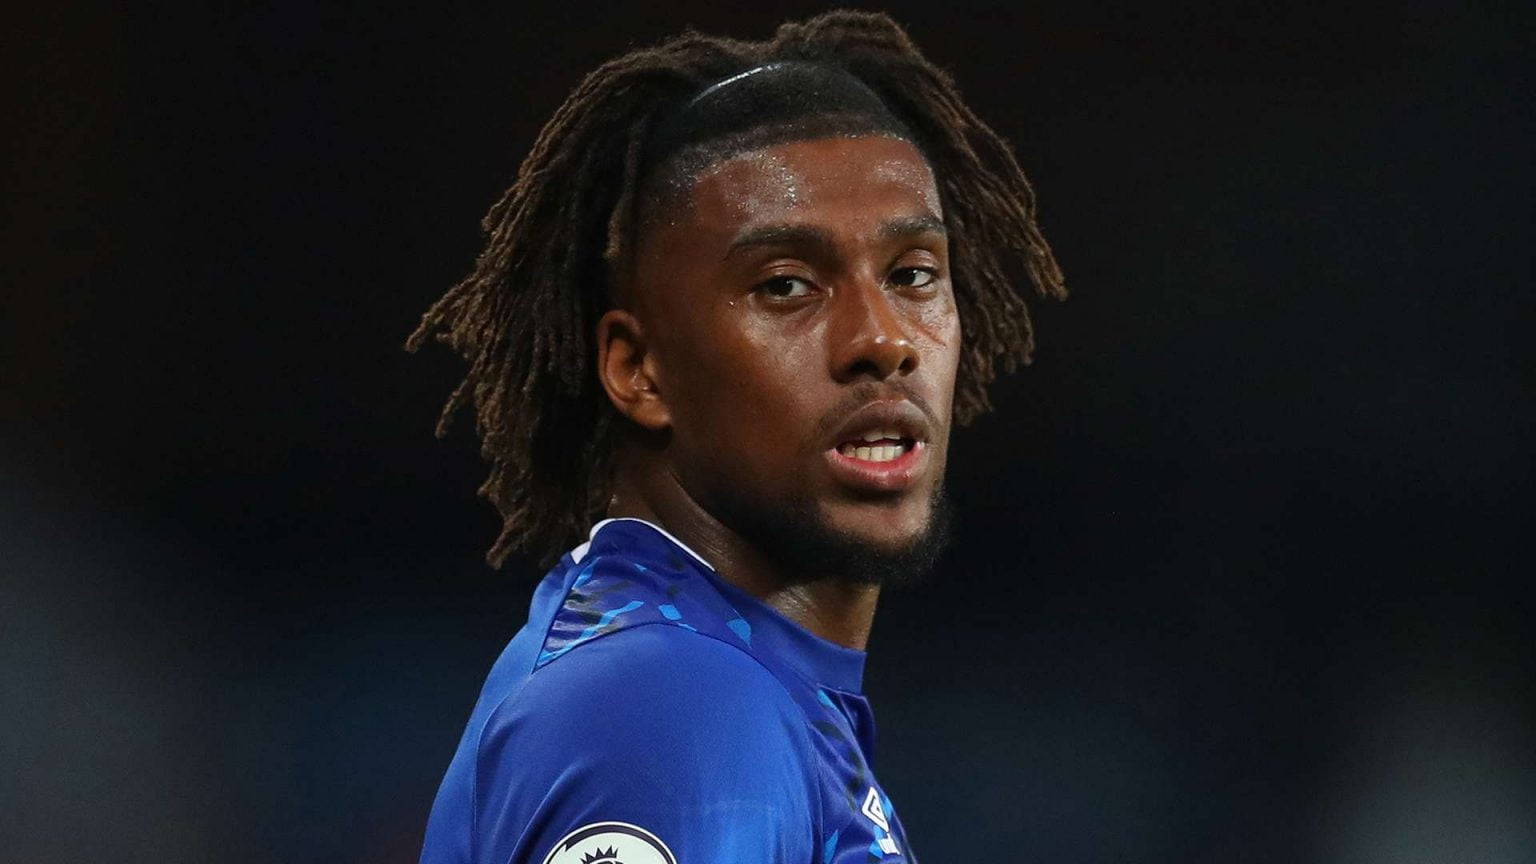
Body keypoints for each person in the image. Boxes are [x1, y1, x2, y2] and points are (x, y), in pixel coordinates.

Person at [407, 11, 1064, 863]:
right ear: (639, 371)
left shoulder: (733, 690)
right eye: (785, 285)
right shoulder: (670, 706)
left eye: (913, 274)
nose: (884, 338)